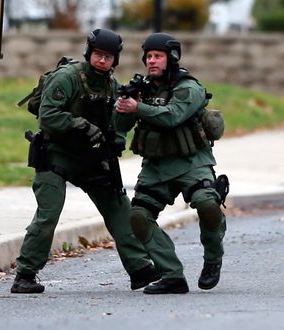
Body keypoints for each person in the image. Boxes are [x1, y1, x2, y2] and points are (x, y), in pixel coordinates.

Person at [11, 28, 159, 294]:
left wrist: (118, 134)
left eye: (109, 57)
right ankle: (25, 274)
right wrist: (81, 125)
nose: (103, 61)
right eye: (98, 55)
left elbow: (117, 122)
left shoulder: (112, 86)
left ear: (116, 60)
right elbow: (48, 116)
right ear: (89, 53)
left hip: (89, 158)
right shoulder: (68, 77)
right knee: (48, 214)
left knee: (118, 207)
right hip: (55, 154)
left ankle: (139, 269)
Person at [115, 32, 227, 294]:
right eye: (148, 57)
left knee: (207, 203)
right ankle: (172, 275)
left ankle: (213, 258)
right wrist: (123, 107)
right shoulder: (142, 89)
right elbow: (120, 126)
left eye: (158, 56)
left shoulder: (188, 87)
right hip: (156, 165)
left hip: (191, 162)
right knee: (139, 217)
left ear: (172, 58)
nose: (151, 61)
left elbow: (172, 116)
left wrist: (138, 108)